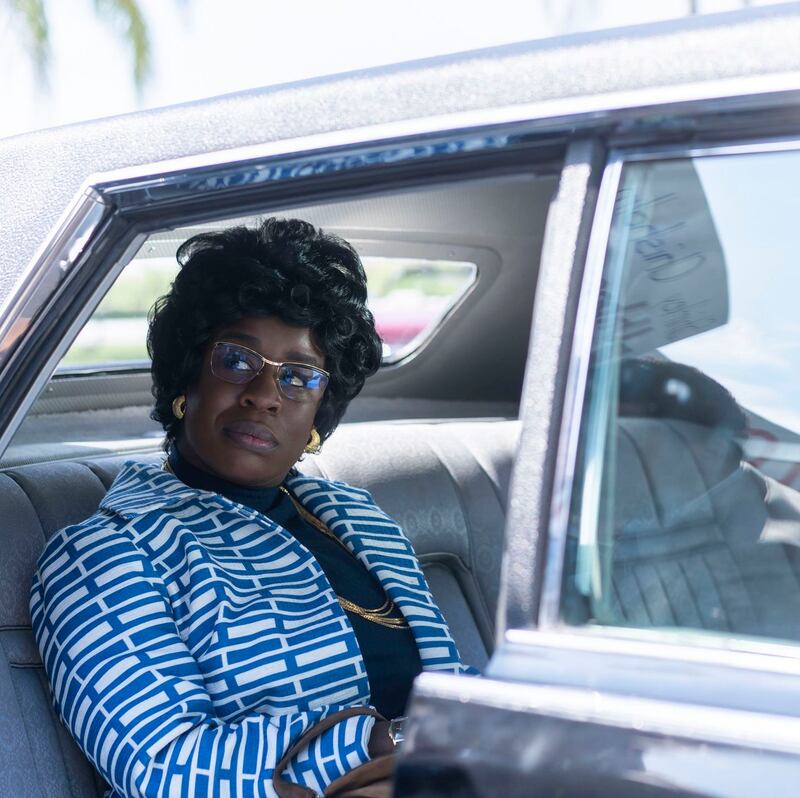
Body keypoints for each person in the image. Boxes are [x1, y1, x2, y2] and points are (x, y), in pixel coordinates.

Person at [30, 218, 474, 798]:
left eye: (299, 376)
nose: (264, 396)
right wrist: (383, 742)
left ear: (318, 410)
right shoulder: (105, 555)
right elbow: (162, 766)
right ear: (187, 376)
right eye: (237, 360)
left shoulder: (359, 519)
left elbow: (451, 695)